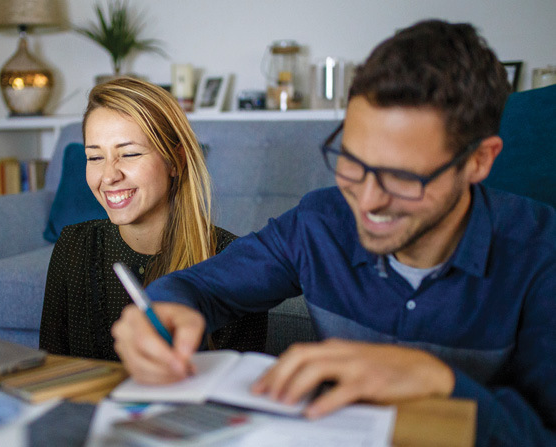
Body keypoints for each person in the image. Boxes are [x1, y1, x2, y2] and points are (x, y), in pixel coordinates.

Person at [111, 20, 556, 446]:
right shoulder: (320, 222)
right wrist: (167, 309)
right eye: (352, 162)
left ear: (479, 160)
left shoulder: (541, 253)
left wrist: (436, 380)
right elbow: (201, 287)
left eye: (402, 177)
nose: (367, 200)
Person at [39, 77, 267, 361]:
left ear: (176, 161)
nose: (109, 176)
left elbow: (237, 386)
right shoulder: (73, 246)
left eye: (130, 154)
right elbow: (51, 369)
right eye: (95, 158)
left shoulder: (232, 262)